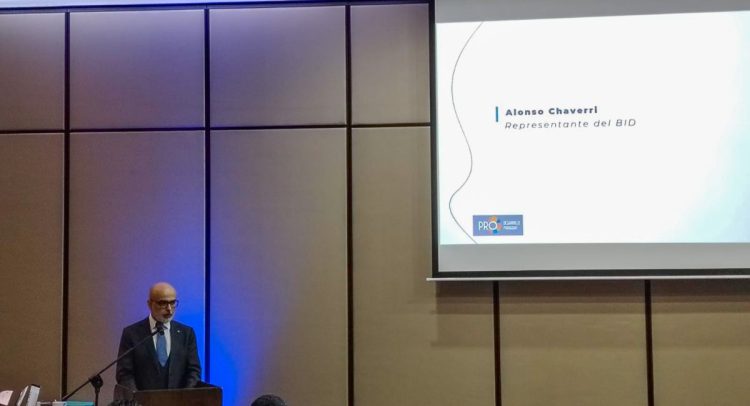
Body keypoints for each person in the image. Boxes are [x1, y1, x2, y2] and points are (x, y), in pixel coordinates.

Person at [115, 282, 201, 391]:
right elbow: (124, 373)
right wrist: (136, 398)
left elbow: (194, 371)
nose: (169, 309)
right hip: (143, 399)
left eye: (173, 303)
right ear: (150, 304)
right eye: (163, 303)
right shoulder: (132, 333)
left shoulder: (186, 333)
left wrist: (184, 397)